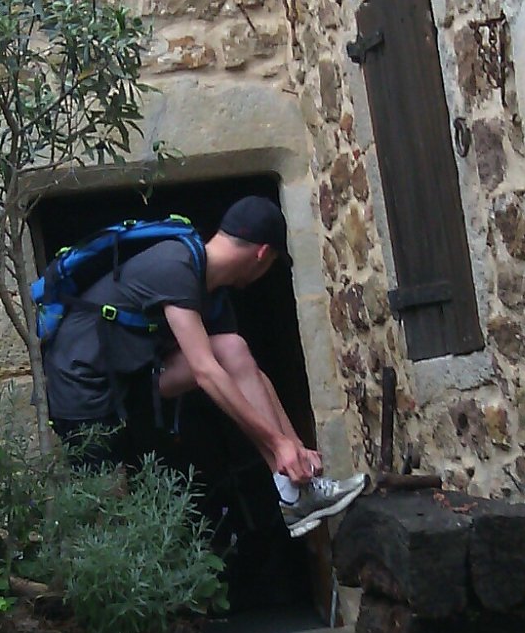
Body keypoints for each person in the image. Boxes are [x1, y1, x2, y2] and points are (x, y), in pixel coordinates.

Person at [42, 194, 366, 538]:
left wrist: (293, 445)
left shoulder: (211, 290)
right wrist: (276, 442)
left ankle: (294, 493)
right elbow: (205, 372)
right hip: (82, 389)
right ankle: (293, 489)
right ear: (263, 254)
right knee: (108, 519)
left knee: (233, 348)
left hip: (127, 376)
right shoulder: (176, 266)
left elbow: (249, 374)